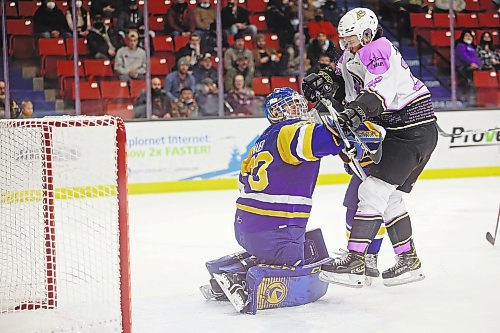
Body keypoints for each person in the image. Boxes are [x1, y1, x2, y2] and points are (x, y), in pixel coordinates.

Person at [202, 87, 384, 313]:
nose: (297, 108)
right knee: (296, 266)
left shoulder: (261, 140)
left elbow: (242, 183)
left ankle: (224, 274)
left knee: (279, 251)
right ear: (276, 113)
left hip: (246, 226)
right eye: (288, 105)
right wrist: (356, 127)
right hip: (277, 229)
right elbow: (323, 140)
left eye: (298, 103)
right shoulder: (291, 131)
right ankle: (241, 282)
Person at [302, 7, 438, 288]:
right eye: (343, 39)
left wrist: (355, 112)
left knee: (372, 191)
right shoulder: (354, 53)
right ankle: (408, 259)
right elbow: (347, 87)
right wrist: (327, 82)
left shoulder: (378, 49)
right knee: (388, 197)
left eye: (350, 38)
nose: (346, 43)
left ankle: (356, 260)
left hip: (411, 132)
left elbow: (378, 94)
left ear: (366, 33)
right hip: (404, 132)